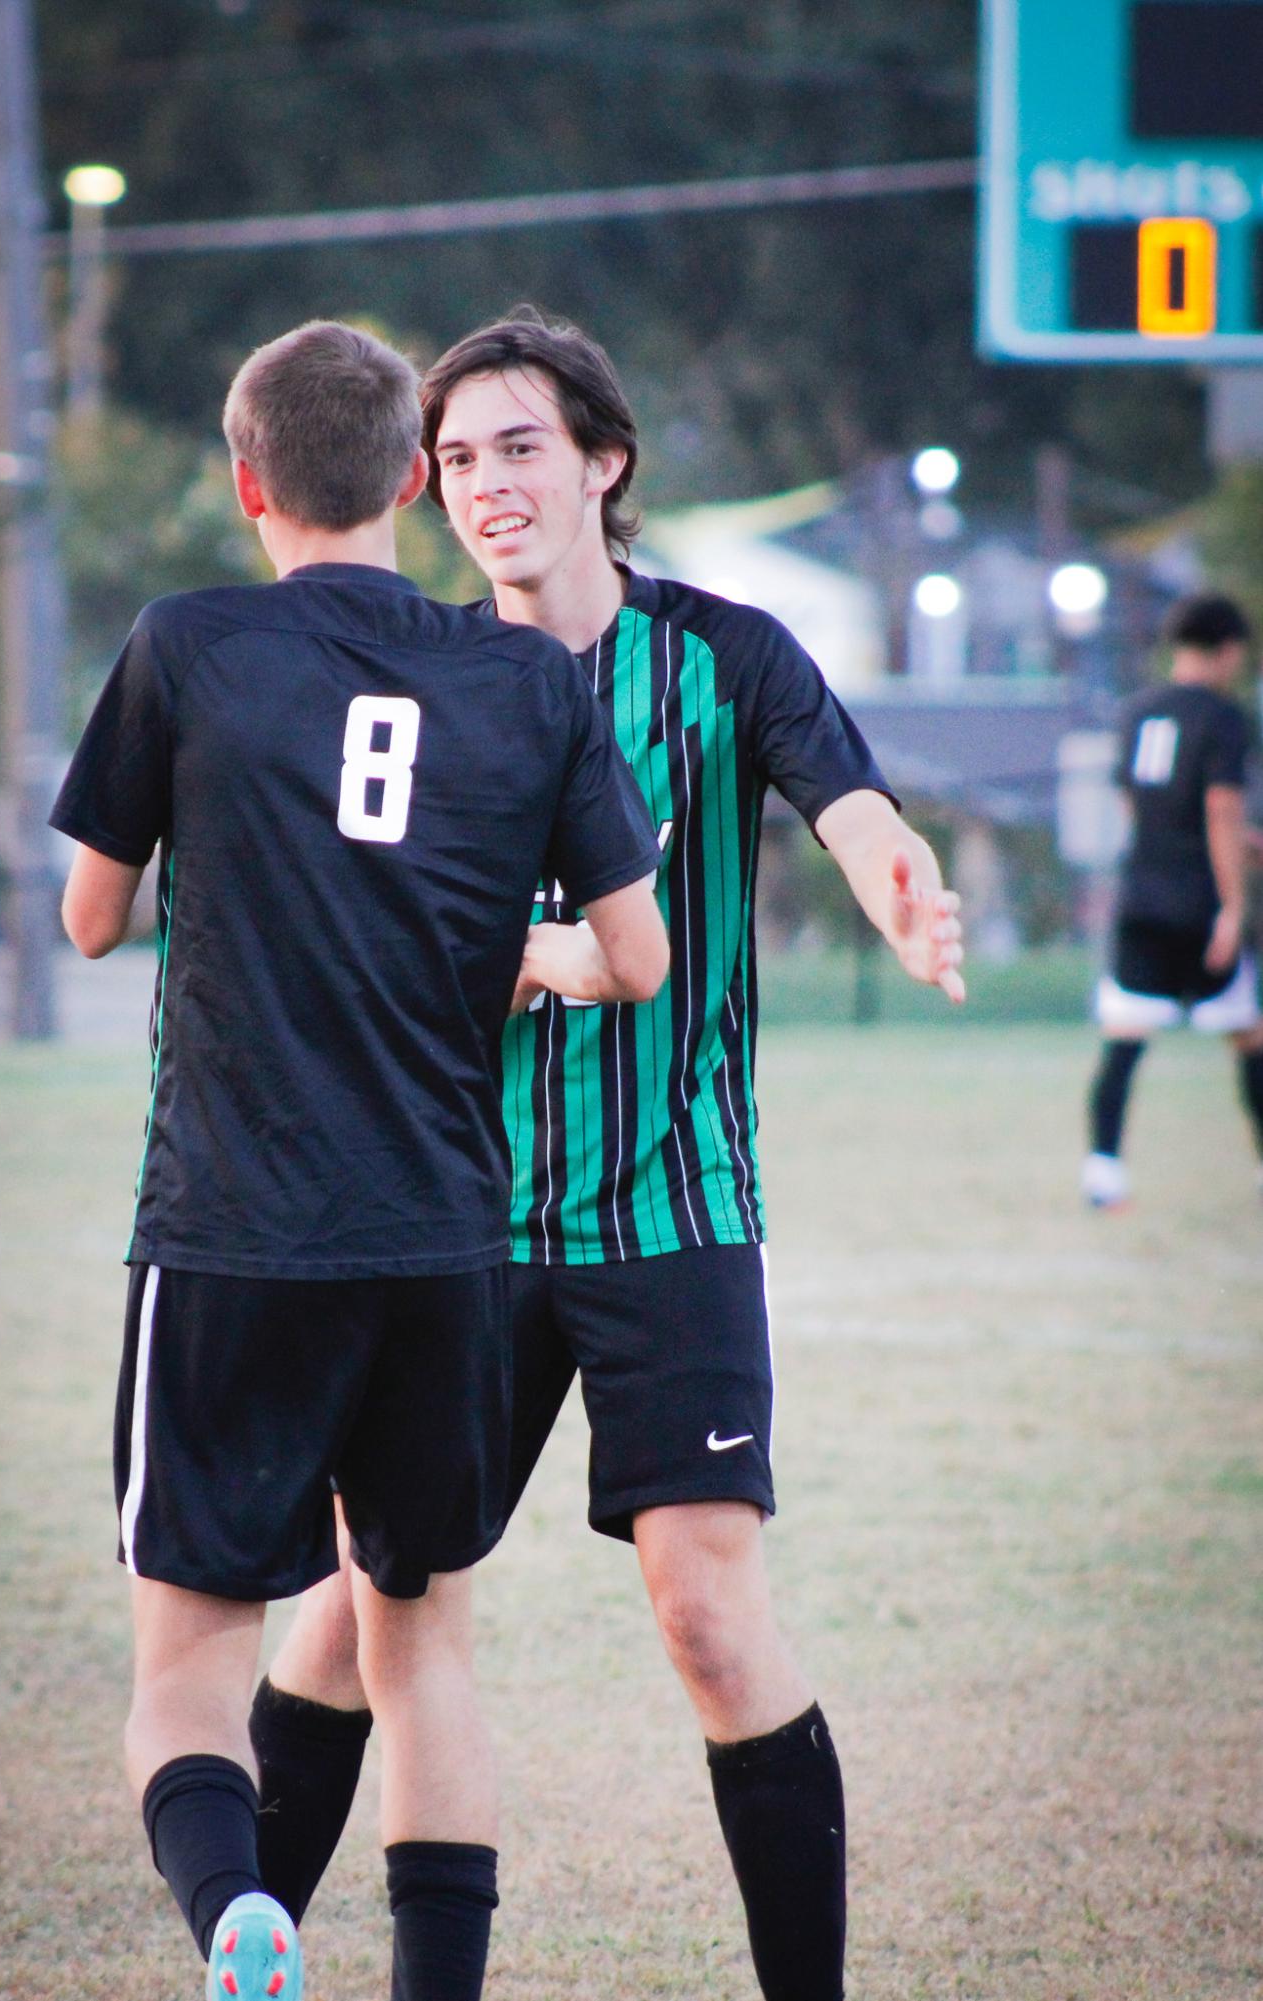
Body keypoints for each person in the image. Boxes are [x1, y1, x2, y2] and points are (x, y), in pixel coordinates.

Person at [246, 308, 964, 2001]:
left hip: (674, 1204)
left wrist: (899, 880)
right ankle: (244, 1955)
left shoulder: (725, 657)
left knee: (710, 1616)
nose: (490, 484)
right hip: (450, 1216)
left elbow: (850, 801)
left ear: (603, 463)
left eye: (524, 448)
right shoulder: (406, 674)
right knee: (361, 1609)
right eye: (464, 457)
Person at [49, 319, 667, 2001]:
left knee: (187, 1671)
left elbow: (90, 921)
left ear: (245, 481)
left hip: (234, 1230)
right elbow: (641, 953)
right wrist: (511, 947)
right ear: (413, 477)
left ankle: (241, 1913)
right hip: (444, 1239)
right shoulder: (531, 680)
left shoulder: (189, 646)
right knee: (425, 1650)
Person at [1083, 592, 1263, 1208]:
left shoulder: (1138, 711)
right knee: (1248, 1035)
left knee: (1124, 1037)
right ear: (1227, 649)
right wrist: (1233, 907)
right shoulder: (1223, 715)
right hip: (1201, 903)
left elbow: (1135, 805)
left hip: (1142, 896)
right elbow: (1219, 806)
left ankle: (1103, 1174)